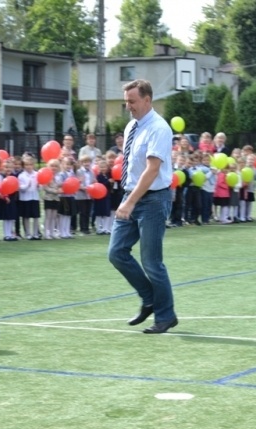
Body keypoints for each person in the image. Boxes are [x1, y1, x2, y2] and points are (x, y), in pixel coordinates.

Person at [108, 79, 177, 334]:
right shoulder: (131, 127)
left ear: (147, 100)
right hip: (132, 196)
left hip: (153, 200)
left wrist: (130, 202)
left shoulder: (159, 128)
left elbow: (152, 170)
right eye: (126, 101)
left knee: (151, 262)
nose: (128, 106)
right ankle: (149, 299)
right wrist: (128, 198)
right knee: (116, 253)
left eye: (132, 101)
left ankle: (166, 316)